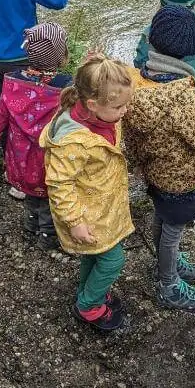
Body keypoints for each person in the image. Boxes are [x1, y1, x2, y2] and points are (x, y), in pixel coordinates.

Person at [122, 6, 195, 312]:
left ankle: (168, 261)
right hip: (180, 177)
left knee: (162, 218)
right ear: (189, 50)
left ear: (152, 39)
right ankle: (168, 284)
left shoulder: (137, 85)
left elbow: (132, 137)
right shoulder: (182, 95)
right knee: (173, 228)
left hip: (154, 171)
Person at [41, 55, 135, 332]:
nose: (125, 111)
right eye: (119, 106)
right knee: (113, 260)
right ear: (92, 104)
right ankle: (89, 306)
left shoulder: (100, 116)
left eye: (126, 104)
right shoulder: (73, 142)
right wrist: (74, 222)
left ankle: (89, 289)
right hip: (86, 214)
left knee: (93, 255)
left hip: (100, 205)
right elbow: (59, 184)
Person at [0, 22, 73, 250]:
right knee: (49, 198)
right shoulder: (66, 88)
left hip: (20, 157)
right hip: (49, 158)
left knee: (31, 193)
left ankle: (30, 227)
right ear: (60, 56)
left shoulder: (13, 83)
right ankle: (47, 238)